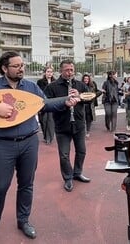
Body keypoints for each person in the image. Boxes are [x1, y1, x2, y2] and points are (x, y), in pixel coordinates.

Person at [0, 51, 79, 244]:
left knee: (26, 184)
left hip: (29, 142)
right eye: (16, 66)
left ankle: (23, 220)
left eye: (22, 65)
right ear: (4, 68)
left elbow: (44, 105)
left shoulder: (30, 87)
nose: (21, 68)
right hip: (3, 144)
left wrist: (65, 102)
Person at [44, 59, 91, 193]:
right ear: (61, 71)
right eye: (67, 70)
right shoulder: (52, 87)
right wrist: (64, 102)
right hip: (62, 126)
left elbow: (91, 99)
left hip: (79, 125)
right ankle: (68, 177)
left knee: (81, 151)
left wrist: (80, 96)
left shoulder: (80, 85)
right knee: (64, 155)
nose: (70, 72)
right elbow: (46, 105)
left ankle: (77, 173)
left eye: (72, 70)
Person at [37, 66, 56, 144]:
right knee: (43, 121)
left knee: (51, 121)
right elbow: (39, 92)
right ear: (45, 73)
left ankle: (50, 138)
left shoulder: (55, 82)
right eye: (48, 72)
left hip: (52, 103)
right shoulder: (40, 82)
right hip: (43, 103)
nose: (49, 73)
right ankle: (46, 136)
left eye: (51, 72)